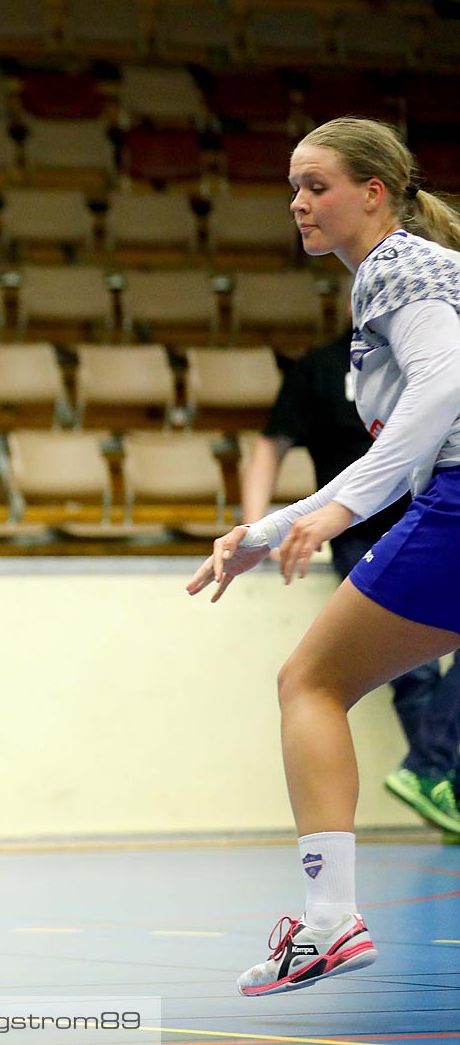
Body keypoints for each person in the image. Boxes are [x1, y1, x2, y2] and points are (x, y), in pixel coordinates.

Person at [187, 117, 460, 996]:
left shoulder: (398, 266)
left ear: (375, 193)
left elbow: (442, 392)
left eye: (318, 186)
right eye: (293, 188)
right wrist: (265, 530)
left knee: (309, 682)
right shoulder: (416, 271)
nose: (299, 203)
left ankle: (331, 923)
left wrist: (340, 506)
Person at [242, 335, 460, 837]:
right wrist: (261, 529)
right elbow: (271, 445)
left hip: (428, 518)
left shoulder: (429, 350)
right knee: (412, 674)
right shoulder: (320, 366)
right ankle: (436, 780)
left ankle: (431, 772)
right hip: (357, 529)